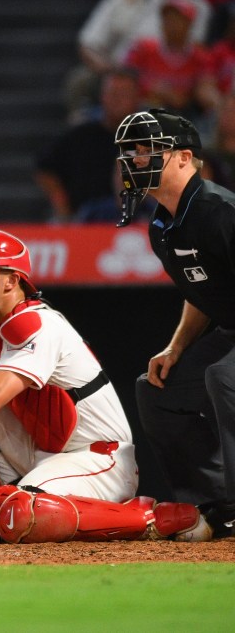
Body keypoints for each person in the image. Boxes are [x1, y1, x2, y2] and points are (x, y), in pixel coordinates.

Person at [0, 225, 206, 544]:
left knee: (20, 510)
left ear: (12, 281)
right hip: (50, 453)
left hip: (99, 460)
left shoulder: (37, 322)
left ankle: (151, 516)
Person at [114, 107, 235, 539]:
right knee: (157, 390)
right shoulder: (162, 226)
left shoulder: (220, 211)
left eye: (147, 151)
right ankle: (217, 506)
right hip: (228, 331)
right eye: (131, 152)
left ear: (184, 157)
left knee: (225, 377)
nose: (135, 161)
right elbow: (200, 292)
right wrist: (177, 347)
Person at [35, 69, 144, 222]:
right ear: (102, 97)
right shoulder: (81, 135)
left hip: (138, 221)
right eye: (112, 93)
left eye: (124, 94)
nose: (117, 100)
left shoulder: (151, 139)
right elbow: (45, 168)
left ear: (137, 98)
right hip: (85, 222)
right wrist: (62, 208)